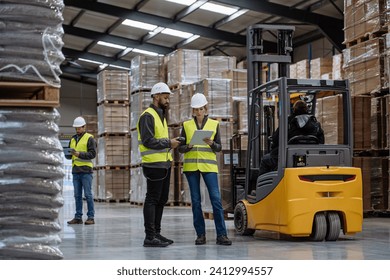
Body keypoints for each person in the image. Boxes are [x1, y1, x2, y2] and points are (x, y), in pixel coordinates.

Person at [178, 93, 232, 246]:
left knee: (216, 199)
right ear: (193, 111)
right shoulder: (186, 125)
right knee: (196, 201)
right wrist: (187, 146)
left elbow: (219, 147)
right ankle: (200, 235)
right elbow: (180, 149)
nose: (199, 112)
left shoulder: (214, 124)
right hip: (191, 167)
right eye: (196, 109)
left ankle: (222, 235)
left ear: (205, 108)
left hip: (209, 166)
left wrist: (211, 144)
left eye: (201, 109)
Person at [137, 82, 181, 247]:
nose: (167, 100)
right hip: (153, 165)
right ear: (156, 96)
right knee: (153, 199)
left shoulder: (160, 115)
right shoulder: (148, 115)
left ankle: (156, 233)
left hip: (164, 164)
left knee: (162, 199)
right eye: (165, 97)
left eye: (168, 97)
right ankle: (149, 237)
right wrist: (169, 143)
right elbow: (148, 141)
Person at [259, 99, 325, 175]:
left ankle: (264, 186)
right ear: (307, 109)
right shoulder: (315, 124)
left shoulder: (288, 122)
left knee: (265, 160)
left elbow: (276, 138)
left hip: (289, 157)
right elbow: (321, 142)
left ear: (294, 109)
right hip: (311, 157)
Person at [66, 116, 97, 225]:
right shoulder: (73, 139)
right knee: (77, 195)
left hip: (86, 171)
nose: (77, 130)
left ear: (84, 127)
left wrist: (79, 154)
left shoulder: (90, 138)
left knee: (88, 195)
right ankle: (78, 217)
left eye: (79, 128)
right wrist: (68, 154)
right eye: (76, 128)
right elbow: (70, 156)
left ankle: (91, 217)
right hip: (75, 171)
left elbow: (92, 154)